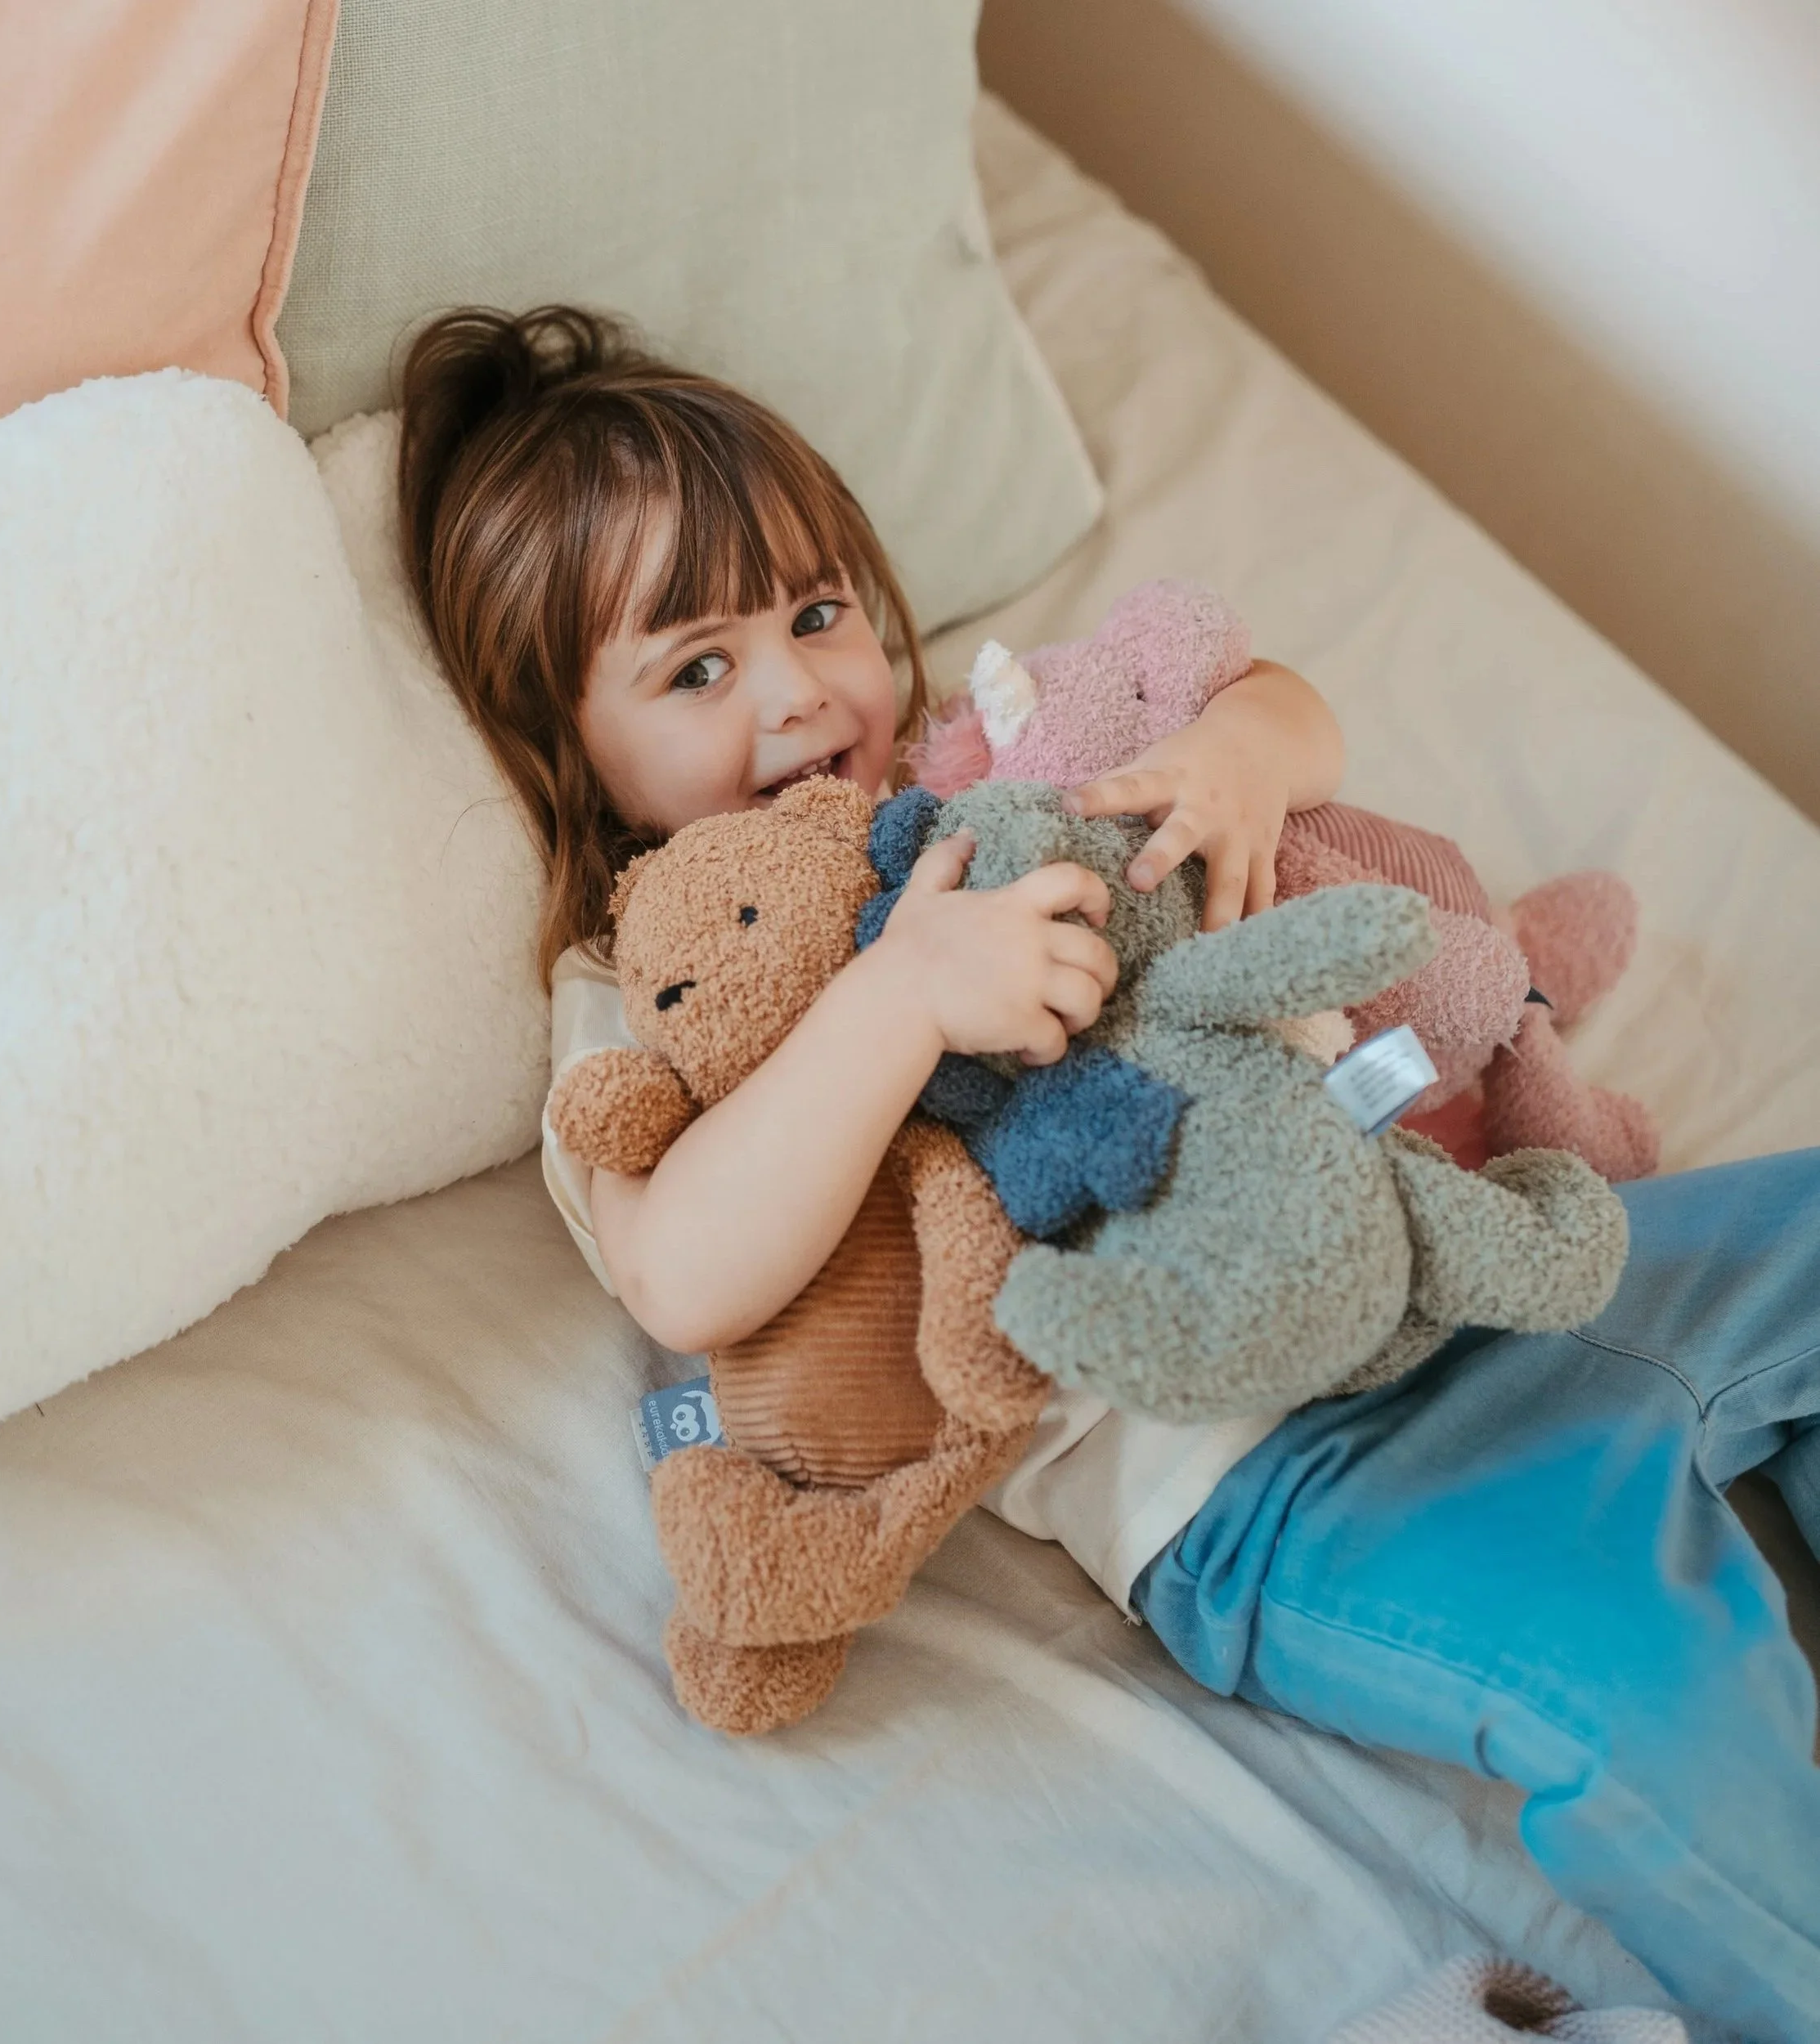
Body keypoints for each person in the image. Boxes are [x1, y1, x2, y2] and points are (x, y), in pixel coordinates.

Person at [398, 305, 1820, 2042]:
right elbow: (682, 1266)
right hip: (1283, 1465)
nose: (792, 688)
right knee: (1646, 1697)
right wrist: (900, 996)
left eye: (814, 610)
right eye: (693, 669)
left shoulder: (989, 757)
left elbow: (1269, 703)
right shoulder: (648, 982)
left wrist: (1237, 756)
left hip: (1483, 1247)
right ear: (571, 756)